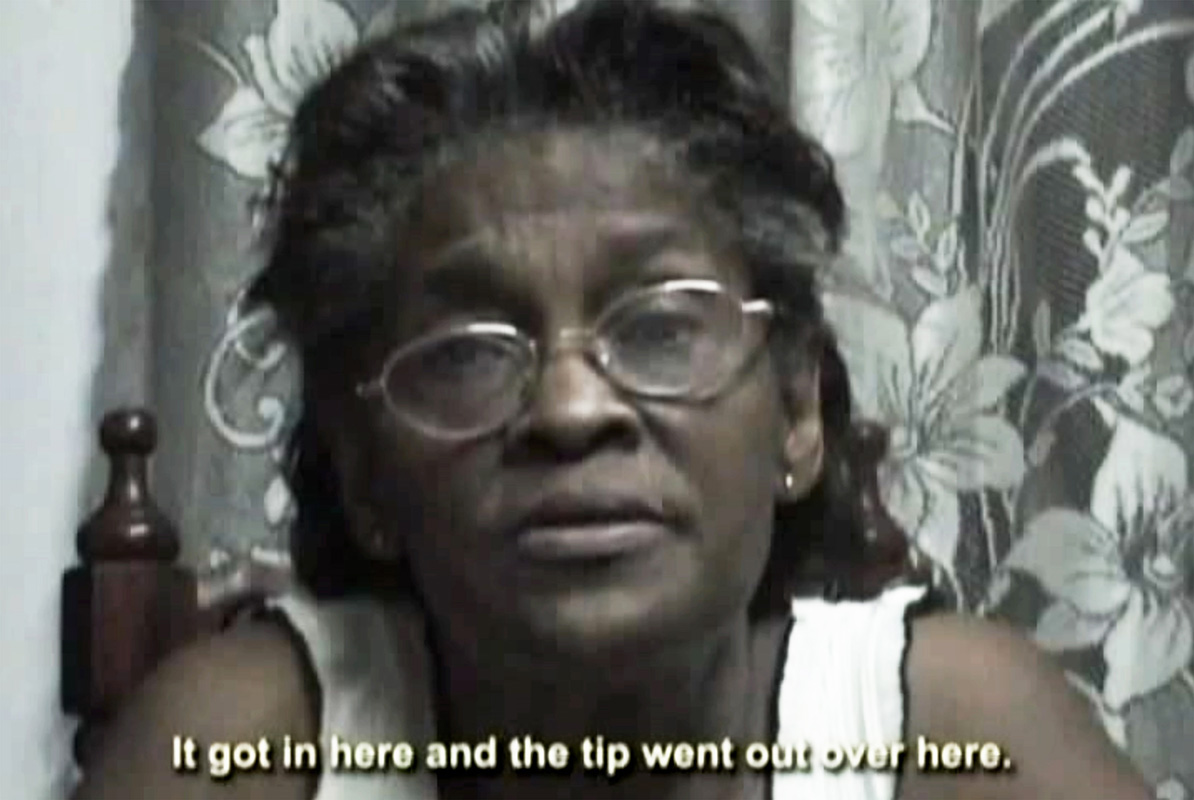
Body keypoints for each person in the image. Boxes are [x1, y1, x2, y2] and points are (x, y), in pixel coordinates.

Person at [73, 1, 1153, 799]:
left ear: (795, 413)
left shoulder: (954, 734)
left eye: (660, 327)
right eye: (470, 351)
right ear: (363, 471)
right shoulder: (246, 746)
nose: (570, 407)